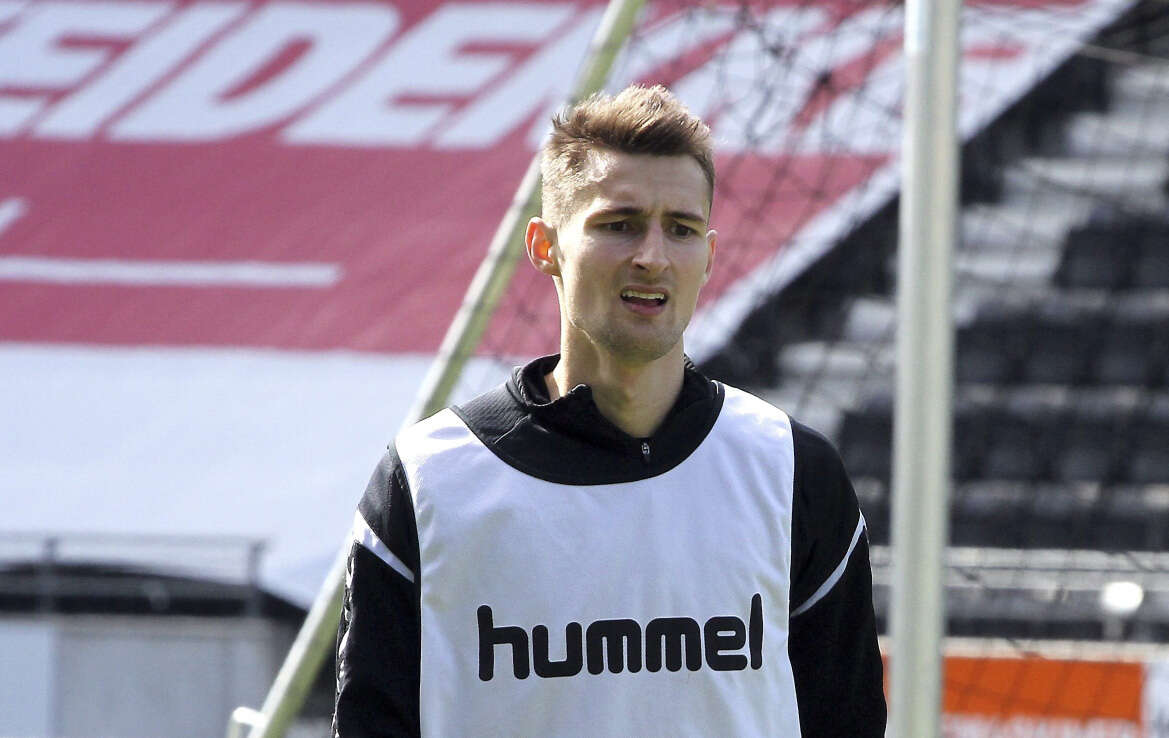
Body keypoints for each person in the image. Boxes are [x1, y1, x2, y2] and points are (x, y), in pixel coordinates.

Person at [333, 85, 886, 737]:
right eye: (619, 224)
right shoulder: (428, 482)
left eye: (680, 229)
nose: (652, 257)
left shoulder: (791, 471)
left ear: (709, 256)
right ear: (545, 246)